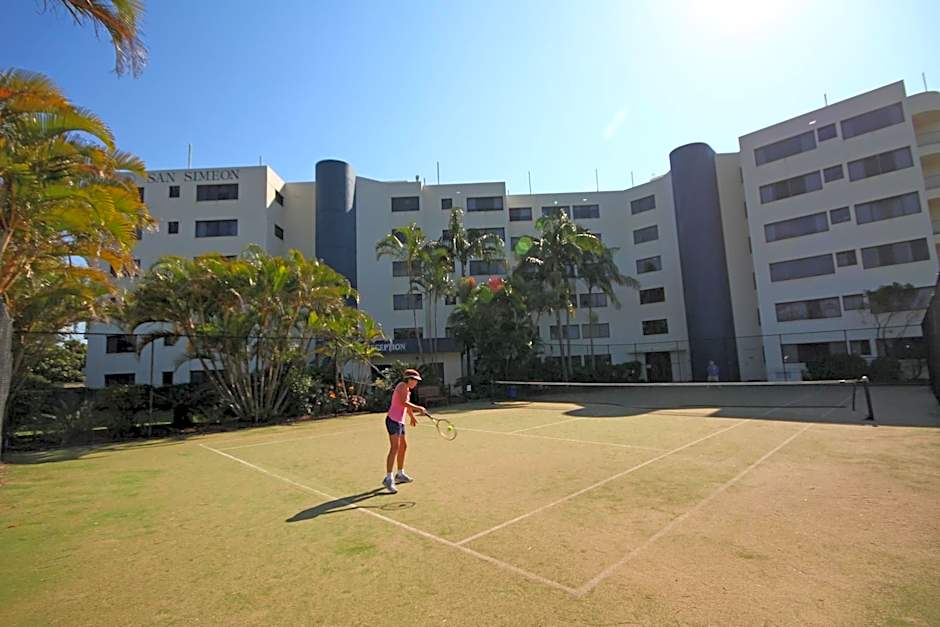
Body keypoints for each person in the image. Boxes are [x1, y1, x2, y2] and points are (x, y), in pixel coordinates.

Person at [383, 368, 427, 494]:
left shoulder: (407, 390)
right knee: (395, 448)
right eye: (415, 380)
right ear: (409, 379)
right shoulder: (402, 386)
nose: (416, 383)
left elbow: (406, 405)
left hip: (399, 422)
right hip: (393, 420)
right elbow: (403, 402)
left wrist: (412, 416)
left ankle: (400, 474)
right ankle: (388, 478)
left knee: (403, 447)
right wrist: (419, 408)